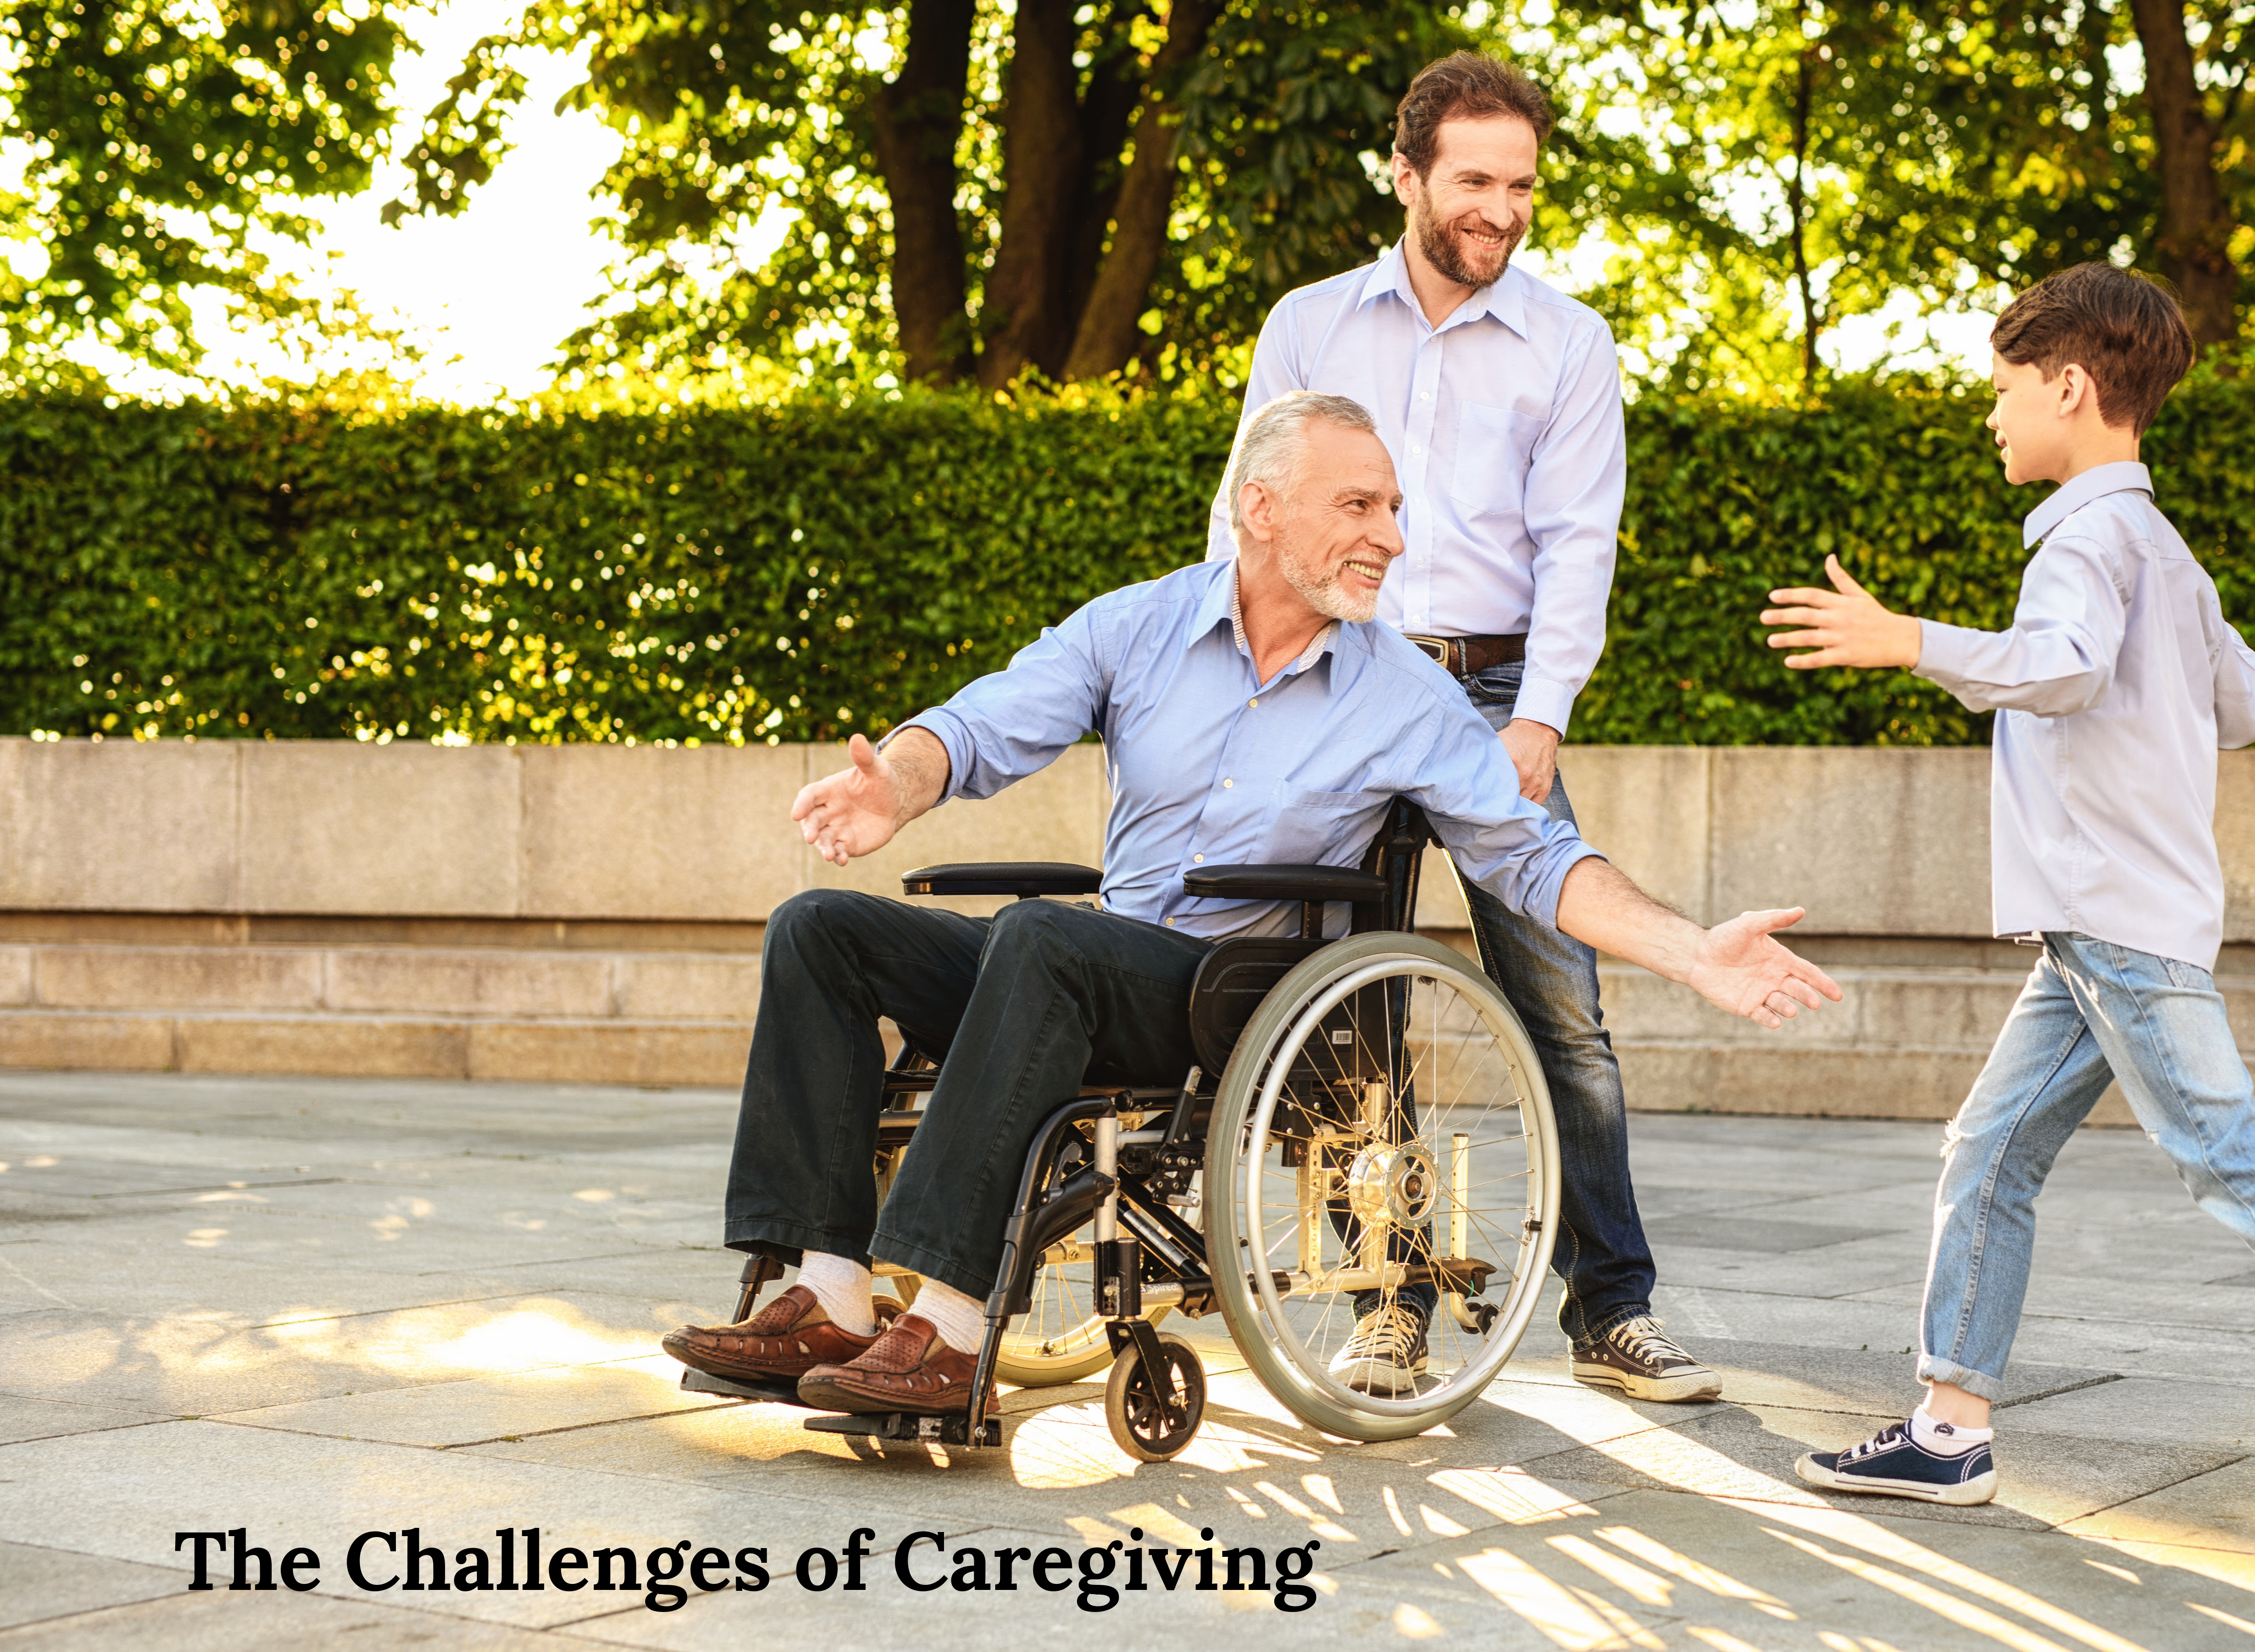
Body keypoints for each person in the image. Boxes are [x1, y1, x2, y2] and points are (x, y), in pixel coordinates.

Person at [662, 391, 1843, 1417]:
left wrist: (1692, 952)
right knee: (822, 931)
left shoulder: (1408, 699)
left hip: (1222, 997)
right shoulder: (1141, 624)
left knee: (1039, 939)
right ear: (1261, 509)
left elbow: (1531, 858)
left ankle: (951, 1329)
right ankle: (825, 1293)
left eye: (1393, 508)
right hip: (1083, 959)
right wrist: (900, 786)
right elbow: (986, 723)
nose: (1390, 535)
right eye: (1359, 506)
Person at [1757, 264, 2255, 1557]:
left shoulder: (2091, 538)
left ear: (2071, 387)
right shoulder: (2157, 550)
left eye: (2005, 392)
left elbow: (2062, 672)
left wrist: (1914, 639)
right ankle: (1949, 1432)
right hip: (2097, 924)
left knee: (2235, 1160)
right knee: (1989, 1151)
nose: (1993, 417)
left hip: (2117, 922)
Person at [1203, 52, 1709, 1403]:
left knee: (1565, 1003)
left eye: (1522, 185)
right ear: (1408, 173)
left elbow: (1578, 545)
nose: (1502, 208)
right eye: (1475, 181)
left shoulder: (1570, 344)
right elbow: (1247, 514)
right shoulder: (1310, 324)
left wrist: (1539, 716)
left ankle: (1612, 1305)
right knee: (1344, 1011)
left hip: (1490, 698)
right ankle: (1389, 1297)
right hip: (1343, 685)